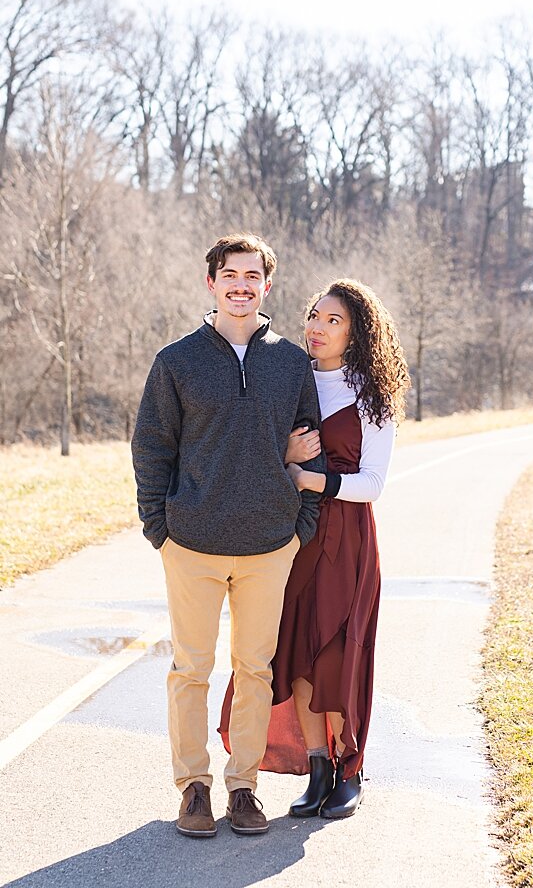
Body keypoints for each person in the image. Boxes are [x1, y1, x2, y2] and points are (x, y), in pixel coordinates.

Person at [132, 233, 324, 838]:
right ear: (211, 282)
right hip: (192, 543)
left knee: (255, 669)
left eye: (252, 276)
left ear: (267, 285)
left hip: (270, 544)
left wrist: (300, 528)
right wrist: (158, 528)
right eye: (229, 275)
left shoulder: (292, 363)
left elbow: (311, 447)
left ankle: (244, 787)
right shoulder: (177, 361)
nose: (241, 286)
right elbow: (151, 448)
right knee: (191, 668)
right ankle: (193, 787)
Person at [219, 277, 409, 820]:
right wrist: (285, 462)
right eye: (314, 317)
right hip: (294, 536)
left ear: (357, 333)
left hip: (348, 539)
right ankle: (318, 767)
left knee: (340, 654)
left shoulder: (372, 396)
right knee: (296, 652)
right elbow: (260, 456)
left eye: (334, 321)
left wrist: (312, 480)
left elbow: (373, 482)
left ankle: (351, 772)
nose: (318, 328)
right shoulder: (290, 381)